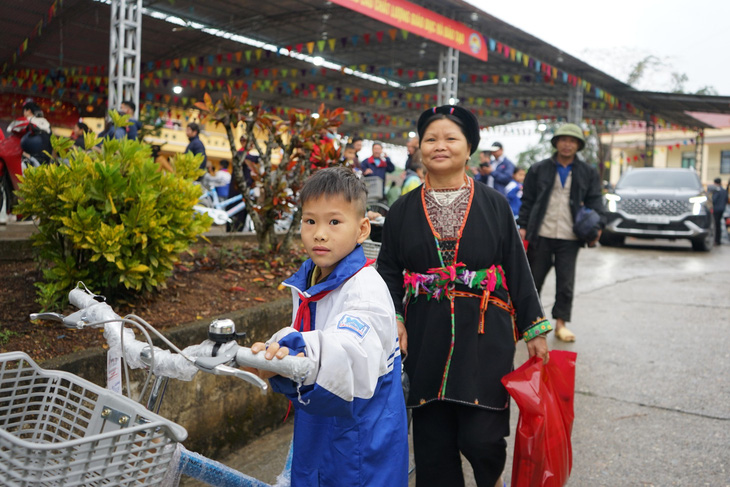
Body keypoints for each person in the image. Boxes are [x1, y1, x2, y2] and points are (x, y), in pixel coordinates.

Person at [377, 105, 551, 487]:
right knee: (433, 445)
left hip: (484, 335)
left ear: (468, 147)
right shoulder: (402, 210)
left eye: (450, 138)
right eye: (431, 139)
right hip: (425, 337)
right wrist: (396, 318)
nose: (440, 146)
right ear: (419, 148)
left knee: (483, 437)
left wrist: (535, 328)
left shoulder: (495, 205)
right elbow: (388, 271)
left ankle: (493, 480)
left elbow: (517, 267)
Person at [248, 167, 409, 487]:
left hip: (359, 442)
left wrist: (290, 348)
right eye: (310, 221)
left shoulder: (365, 289)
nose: (320, 233)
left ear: (363, 229)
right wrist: (273, 348)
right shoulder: (312, 278)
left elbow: (348, 350)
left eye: (334, 222)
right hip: (322, 426)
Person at [517, 123, 605, 342]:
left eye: (573, 141)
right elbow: (527, 201)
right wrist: (523, 226)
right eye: (564, 140)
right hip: (541, 233)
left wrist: (598, 226)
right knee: (534, 280)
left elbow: (596, 201)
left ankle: (560, 325)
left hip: (570, 235)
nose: (568, 144)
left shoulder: (587, 172)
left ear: (578, 145)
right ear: (556, 143)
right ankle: (530, 322)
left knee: (565, 283)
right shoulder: (538, 169)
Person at [19, 101, 53, 165]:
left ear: (28, 111)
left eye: (24, 111)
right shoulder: (45, 122)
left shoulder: (29, 121)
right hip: (46, 158)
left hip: (33, 158)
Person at [708, 177, 728, 244]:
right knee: (718, 224)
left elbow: (714, 199)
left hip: (716, 209)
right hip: (722, 209)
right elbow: (726, 199)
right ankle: (718, 240)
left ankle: (716, 240)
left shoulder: (717, 190)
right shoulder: (724, 191)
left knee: (716, 224)